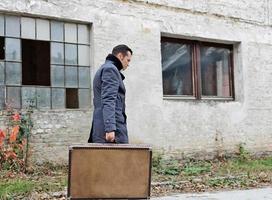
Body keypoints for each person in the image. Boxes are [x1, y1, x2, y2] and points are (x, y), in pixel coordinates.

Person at [88, 45, 133, 144]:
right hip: (112, 133)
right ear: (121, 56)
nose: (128, 64)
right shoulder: (110, 70)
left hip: (106, 129)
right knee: (116, 159)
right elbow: (108, 100)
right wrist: (110, 129)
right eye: (128, 60)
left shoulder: (106, 68)